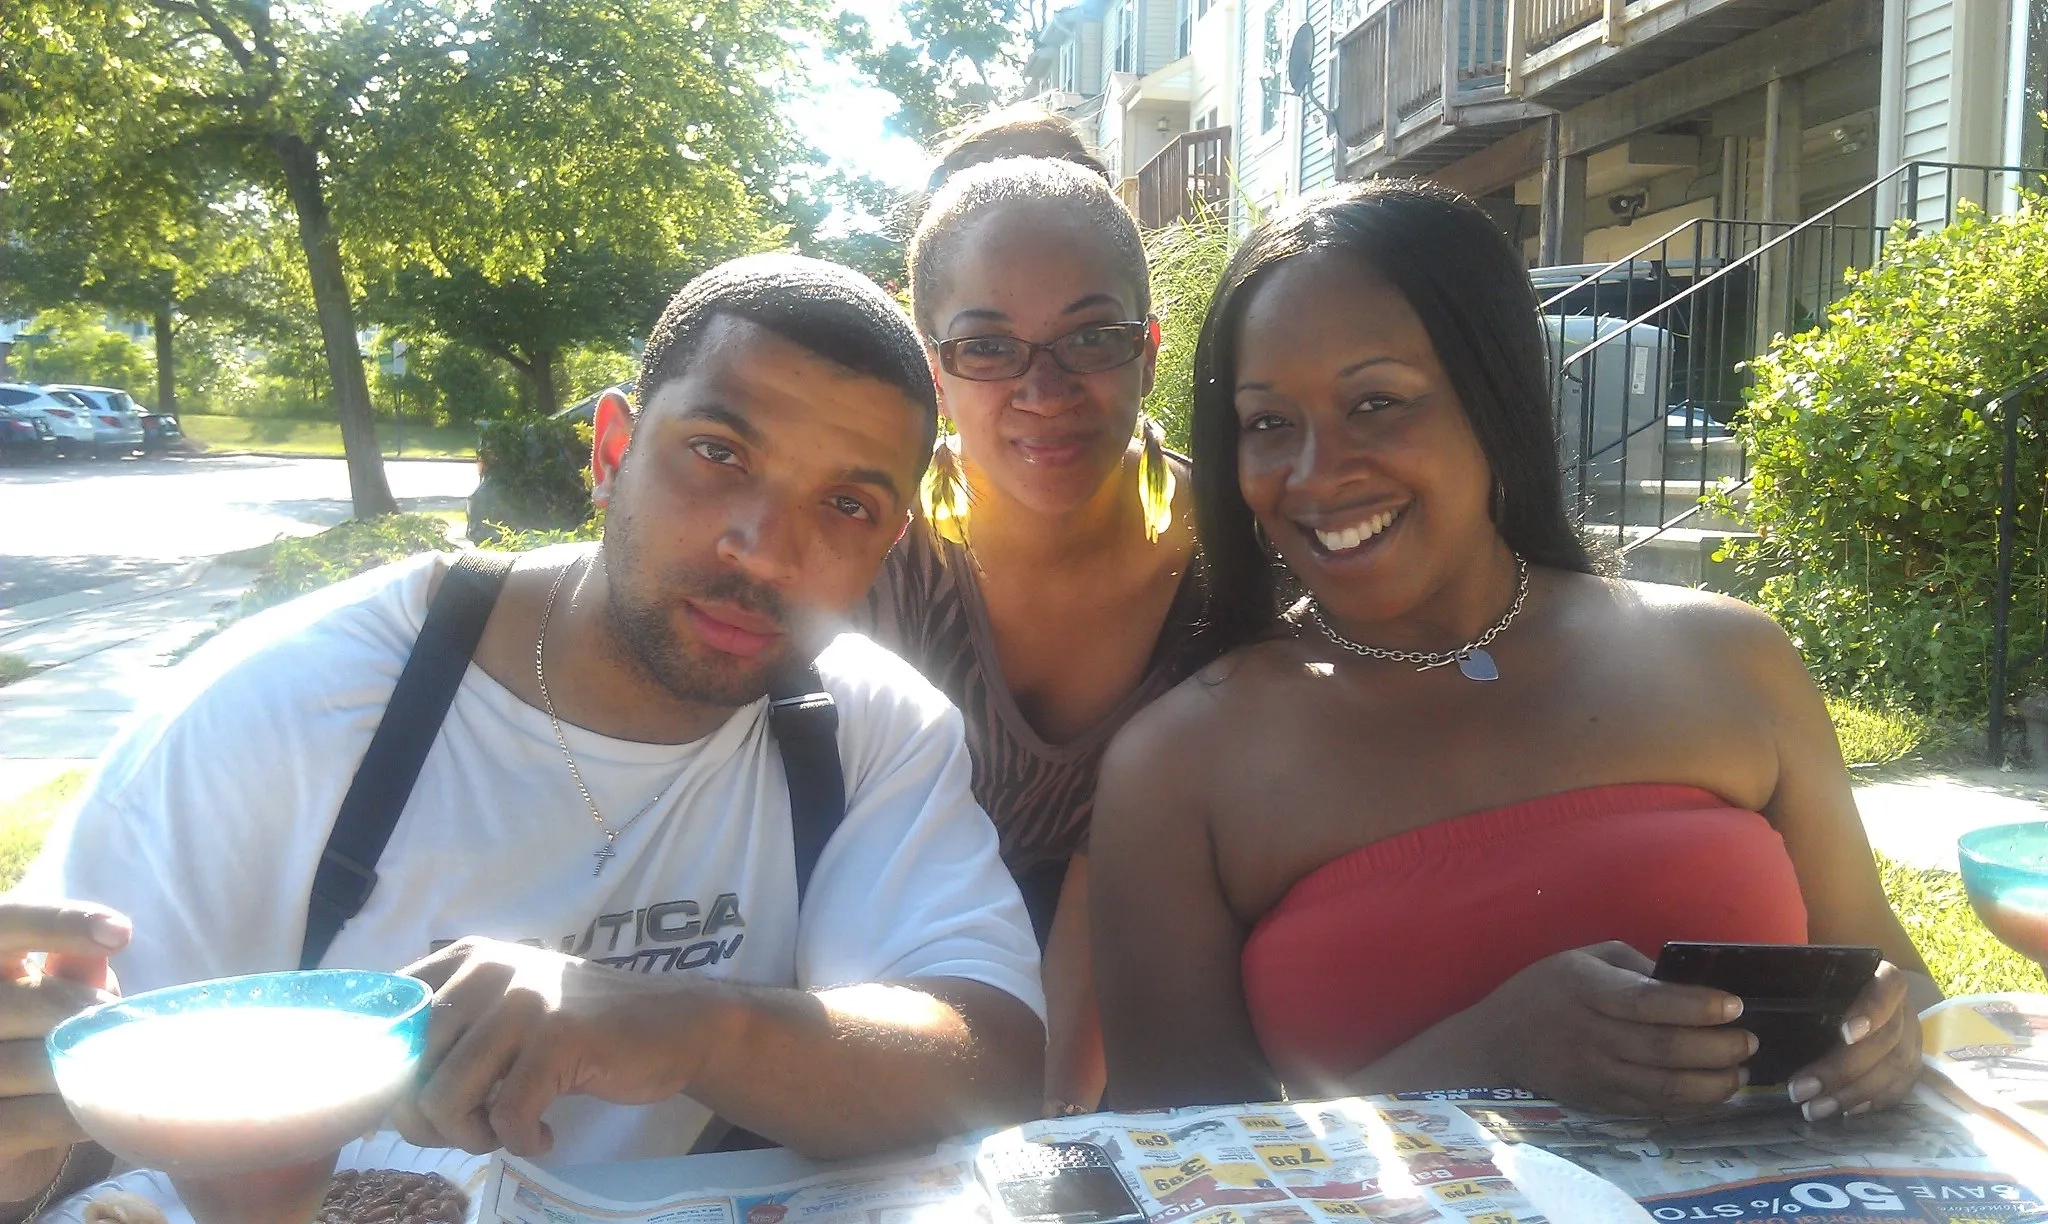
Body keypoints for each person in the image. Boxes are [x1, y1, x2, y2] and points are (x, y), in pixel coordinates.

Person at [0, 255, 1045, 1218]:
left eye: (847, 504)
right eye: (718, 454)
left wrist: (687, 1026)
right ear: (612, 450)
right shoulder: (288, 710)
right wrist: (24, 1147)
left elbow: (988, 1063)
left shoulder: (865, 731)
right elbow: (74, 1117)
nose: (765, 552)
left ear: (890, 542)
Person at [1089, 180, 1938, 1121]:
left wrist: (1886, 1039)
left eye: (1377, 402)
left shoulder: (1733, 659)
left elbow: (1898, 978)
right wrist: (1495, 1054)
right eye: (1268, 423)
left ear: (1495, 400)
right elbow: (1181, 1156)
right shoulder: (1179, 767)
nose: (1316, 472)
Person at [861, 120, 1204, 1116]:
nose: (1041, 389)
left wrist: (1040, 1138)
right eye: (986, 347)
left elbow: (1123, 890)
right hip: (878, 1006)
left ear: (1147, 347)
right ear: (932, 369)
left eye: (1089, 337)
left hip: (1139, 1029)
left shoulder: (1234, 571)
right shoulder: (869, 553)